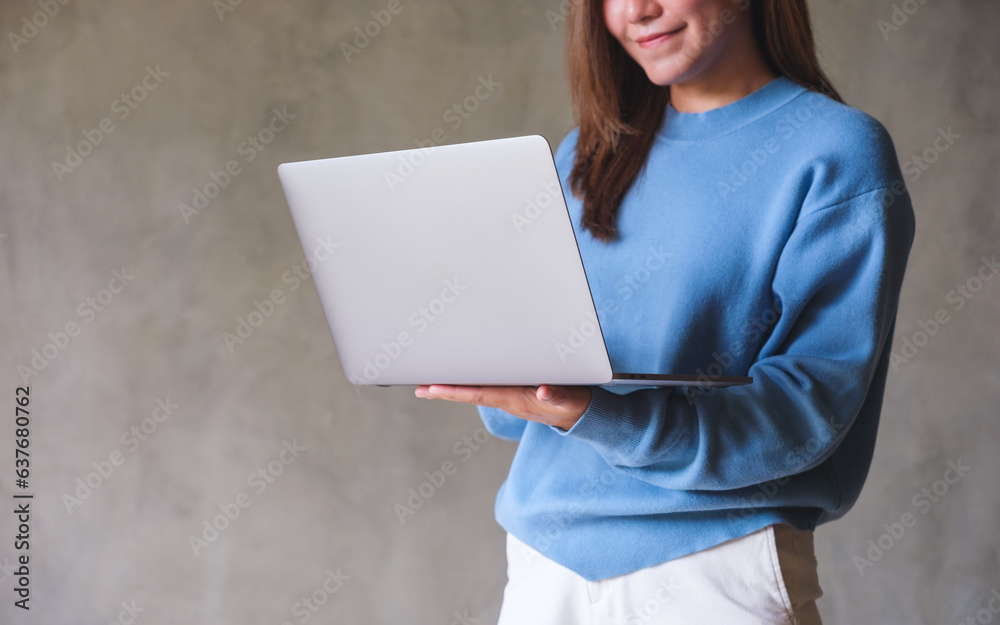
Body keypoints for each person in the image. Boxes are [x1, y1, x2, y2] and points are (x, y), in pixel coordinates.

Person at [415, 0, 915, 622]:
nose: (638, 11)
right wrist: (490, 356)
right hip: (545, 570)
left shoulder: (836, 152)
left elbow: (805, 411)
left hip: (713, 568)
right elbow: (524, 422)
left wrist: (596, 412)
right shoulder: (583, 156)